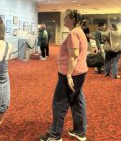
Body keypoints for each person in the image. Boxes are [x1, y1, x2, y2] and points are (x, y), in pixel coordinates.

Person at [40, 9, 88, 141]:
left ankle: (55, 135)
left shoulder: (73, 33)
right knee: (77, 101)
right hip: (79, 72)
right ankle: (80, 131)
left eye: (66, 18)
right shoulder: (80, 31)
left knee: (59, 103)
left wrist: (68, 76)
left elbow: (73, 56)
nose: (64, 20)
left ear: (73, 19)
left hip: (72, 74)